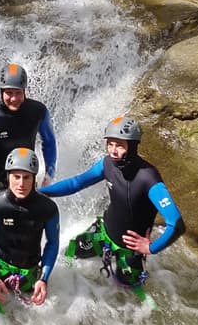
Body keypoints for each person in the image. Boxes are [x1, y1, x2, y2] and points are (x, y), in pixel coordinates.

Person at [40, 116, 185, 293]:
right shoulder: (107, 164)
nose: (113, 150)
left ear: (132, 147)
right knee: (70, 252)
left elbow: (176, 223)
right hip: (104, 233)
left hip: (131, 250)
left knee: (127, 293)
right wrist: (42, 193)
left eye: (119, 146)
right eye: (110, 144)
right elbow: (76, 183)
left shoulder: (148, 178)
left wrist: (150, 247)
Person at [0, 147, 60, 310]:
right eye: (16, 177)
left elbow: (53, 242)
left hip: (31, 274)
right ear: (8, 177)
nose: (21, 183)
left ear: (34, 179)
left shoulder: (48, 208)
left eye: (26, 177)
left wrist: (43, 279)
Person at [0, 63, 57, 197]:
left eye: (18, 93)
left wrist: (49, 174)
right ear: (1, 92)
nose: (14, 98)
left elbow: (49, 141)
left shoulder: (38, 111)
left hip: (24, 177)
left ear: (24, 91)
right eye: (9, 93)